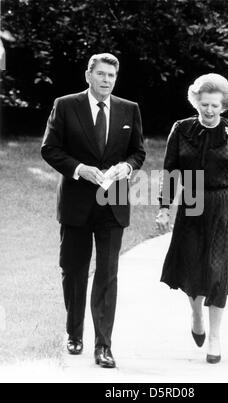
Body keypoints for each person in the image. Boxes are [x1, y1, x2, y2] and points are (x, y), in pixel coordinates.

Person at [41, 53, 145, 368]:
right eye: (100, 74)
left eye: (111, 76)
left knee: (108, 273)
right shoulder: (66, 105)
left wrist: (125, 168)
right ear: (88, 75)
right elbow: (50, 148)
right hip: (75, 202)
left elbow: (138, 151)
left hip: (113, 204)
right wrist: (79, 169)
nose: (106, 80)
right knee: (73, 271)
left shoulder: (129, 109)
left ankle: (103, 345)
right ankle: (74, 333)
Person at [156, 73, 228, 364]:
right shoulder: (181, 129)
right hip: (192, 202)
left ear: (224, 104)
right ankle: (196, 313)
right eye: (204, 104)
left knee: (217, 270)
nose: (209, 110)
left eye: (215, 105)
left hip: (225, 204)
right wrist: (164, 207)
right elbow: (171, 172)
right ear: (195, 100)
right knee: (191, 265)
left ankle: (214, 336)